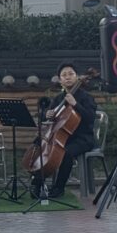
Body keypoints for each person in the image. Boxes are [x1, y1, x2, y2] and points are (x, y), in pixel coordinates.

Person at [34, 62, 97, 198]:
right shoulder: (58, 99)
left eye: (71, 74)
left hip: (83, 138)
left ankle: (59, 188)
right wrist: (47, 114)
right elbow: (47, 118)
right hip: (62, 137)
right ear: (60, 80)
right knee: (39, 144)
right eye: (64, 75)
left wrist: (75, 104)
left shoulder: (86, 97)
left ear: (77, 77)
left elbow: (90, 118)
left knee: (65, 153)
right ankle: (37, 182)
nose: (67, 77)